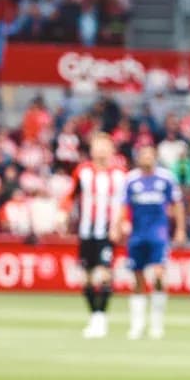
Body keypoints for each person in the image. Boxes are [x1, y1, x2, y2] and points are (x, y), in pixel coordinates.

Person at [116, 144, 186, 340]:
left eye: (149, 154)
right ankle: (137, 325)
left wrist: (179, 229)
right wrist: (119, 225)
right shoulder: (131, 179)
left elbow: (177, 204)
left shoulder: (166, 178)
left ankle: (156, 324)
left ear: (155, 157)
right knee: (137, 279)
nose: (146, 158)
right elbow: (123, 206)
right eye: (143, 154)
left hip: (159, 235)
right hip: (137, 235)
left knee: (158, 276)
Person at [73, 133, 126, 339]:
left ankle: (101, 318)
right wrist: (63, 212)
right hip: (86, 232)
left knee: (104, 274)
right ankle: (94, 315)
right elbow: (71, 195)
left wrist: (122, 223)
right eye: (97, 146)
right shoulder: (83, 171)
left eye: (105, 146)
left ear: (112, 150)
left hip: (107, 231)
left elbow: (125, 203)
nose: (101, 150)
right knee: (86, 279)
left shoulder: (120, 175)